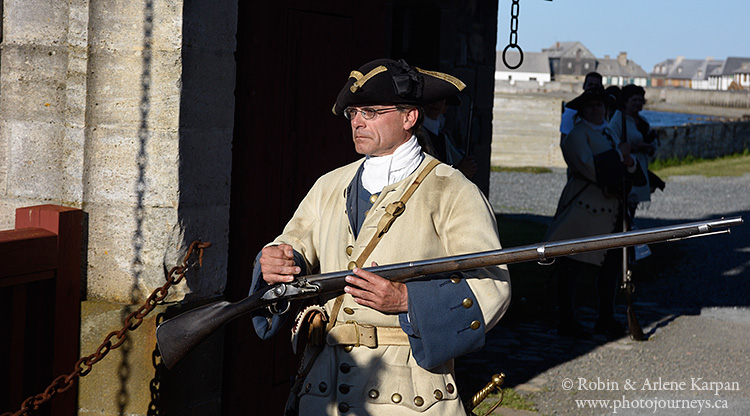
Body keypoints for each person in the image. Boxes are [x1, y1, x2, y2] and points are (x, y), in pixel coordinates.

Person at [249, 58, 511, 415]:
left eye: (371, 112)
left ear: (409, 117)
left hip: (408, 394)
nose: (357, 121)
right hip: (322, 388)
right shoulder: (329, 185)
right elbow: (292, 247)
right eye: (354, 113)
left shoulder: (453, 190)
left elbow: (491, 285)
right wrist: (277, 261)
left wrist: (407, 300)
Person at [544, 86, 638, 339]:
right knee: (571, 264)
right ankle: (567, 319)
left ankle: (606, 317)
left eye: (600, 105)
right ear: (583, 110)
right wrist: (620, 155)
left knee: (611, 266)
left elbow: (625, 165)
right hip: (584, 207)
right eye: (591, 105)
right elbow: (589, 167)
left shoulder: (607, 129)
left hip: (612, 208)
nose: (597, 109)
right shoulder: (577, 134)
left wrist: (629, 163)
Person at [608, 84, 663, 215]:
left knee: (630, 211)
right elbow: (611, 144)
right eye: (634, 100)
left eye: (640, 100)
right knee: (620, 211)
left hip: (639, 170)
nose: (638, 103)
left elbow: (652, 146)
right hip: (624, 171)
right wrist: (638, 147)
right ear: (626, 102)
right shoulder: (618, 119)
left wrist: (649, 147)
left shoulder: (643, 121)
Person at [419, 98, 478, 179]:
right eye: (431, 100)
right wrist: (460, 170)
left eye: (440, 100)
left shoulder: (442, 136)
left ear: (445, 107)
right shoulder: (417, 133)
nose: (435, 104)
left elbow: (454, 160)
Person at [559, 72, 604, 141]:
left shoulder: (604, 109)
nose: (593, 88)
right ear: (584, 86)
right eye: (590, 85)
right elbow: (564, 141)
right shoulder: (571, 111)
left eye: (596, 86)